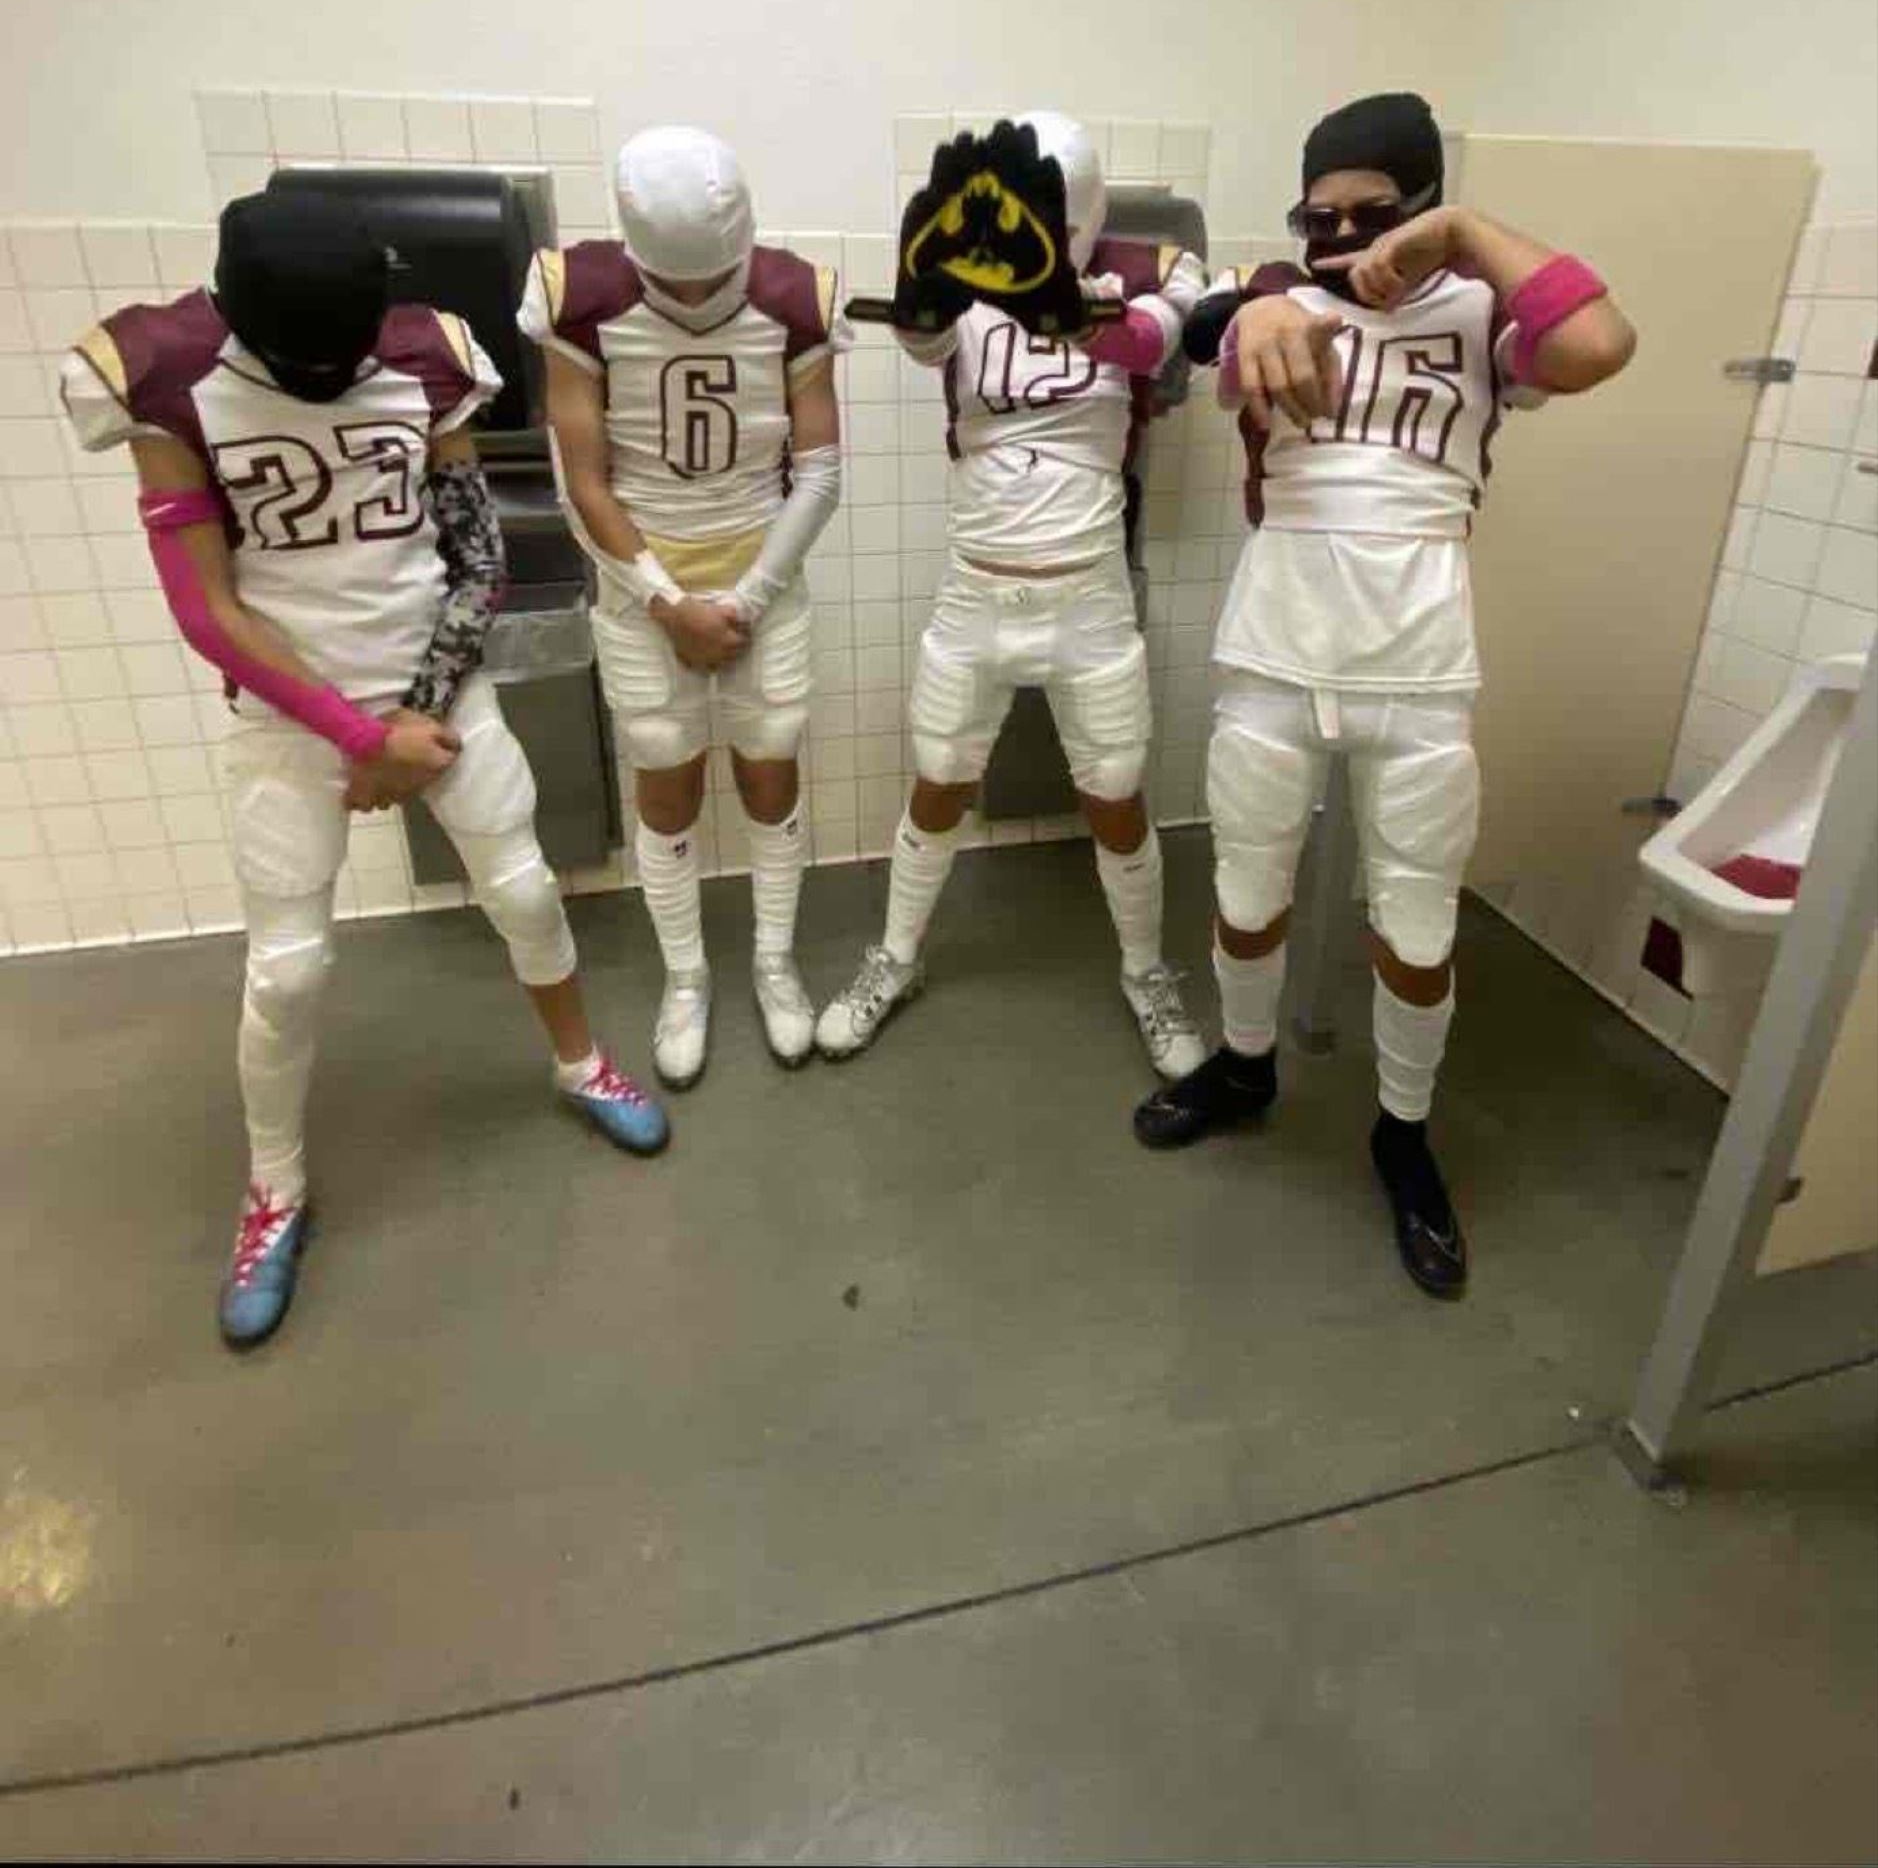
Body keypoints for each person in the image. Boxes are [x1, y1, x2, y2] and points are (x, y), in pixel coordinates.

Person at [60, 189, 666, 1351]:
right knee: (288, 970)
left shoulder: (425, 355)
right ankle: (274, 1189)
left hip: (436, 692)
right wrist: (355, 734)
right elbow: (206, 606)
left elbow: (474, 552)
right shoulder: (167, 376)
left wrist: (416, 714)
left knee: (526, 892)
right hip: (292, 713)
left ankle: (581, 1063)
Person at [1134, 92, 1635, 1296]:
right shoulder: (1280, 296)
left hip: (1418, 666)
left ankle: (1403, 1133)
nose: (1345, 236)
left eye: (1378, 210)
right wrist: (1255, 302)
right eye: (1320, 215)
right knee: (1246, 894)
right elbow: (1192, 337)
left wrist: (1461, 234)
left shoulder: (1479, 311)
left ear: (1424, 205)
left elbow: (1599, 343)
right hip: (1274, 649)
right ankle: (1245, 1064)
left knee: (1415, 931)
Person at [816, 112, 1210, 1077]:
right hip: (977, 594)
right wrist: (926, 286)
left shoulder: (1154, 270)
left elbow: (1159, 340)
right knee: (938, 785)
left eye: (1058, 224)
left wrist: (1065, 304)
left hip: (1089, 599)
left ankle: (1145, 971)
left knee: (1116, 795)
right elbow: (921, 339)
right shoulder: (969, 277)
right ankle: (896, 956)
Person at [521, 126, 847, 1089]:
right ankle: (687, 977)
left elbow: (820, 472)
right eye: (678, 280)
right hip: (641, 588)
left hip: (761, 583)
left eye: (715, 277)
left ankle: (775, 963)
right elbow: (581, 479)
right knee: (665, 776)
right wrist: (667, 602)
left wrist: (745, 599)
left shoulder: (796, 296)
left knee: (771, 770)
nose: (698, 297)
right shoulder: (577, 295)